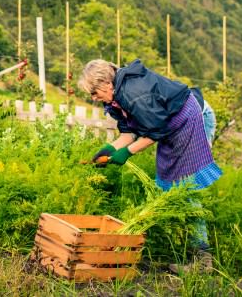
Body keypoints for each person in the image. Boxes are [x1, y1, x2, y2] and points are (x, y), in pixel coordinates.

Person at [79, 59, 221, 271]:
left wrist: (126, 153)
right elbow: (129, 133)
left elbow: (154, 133)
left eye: (94, 92)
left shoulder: (134, 94)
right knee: (173, 187)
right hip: (171, 126)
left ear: (106, 84)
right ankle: (188, 250)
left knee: (188, 189)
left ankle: (202, 260)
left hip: (192, 118)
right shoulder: (114, 100)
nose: (93, 98)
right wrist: (109, 150)